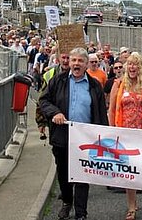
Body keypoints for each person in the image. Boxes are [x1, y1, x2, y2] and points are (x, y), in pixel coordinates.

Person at [39, 47, 108, 220]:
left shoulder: (94, 86)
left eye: (80, 61)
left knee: (83, 174)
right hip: (62, 135)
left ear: (86, 65)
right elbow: (43, 100)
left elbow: (100, 112)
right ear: (69, 62)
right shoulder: (57, 81)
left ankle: (81, 213)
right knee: (63, 172)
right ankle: (67, 201)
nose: (76, 64)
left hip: (86, 138)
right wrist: (55, 113)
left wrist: (103, 137)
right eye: (74, 60)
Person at [108, 42, 142, 220]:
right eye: (130, 63)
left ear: (140, 68)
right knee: (128, 170)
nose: (132, 67)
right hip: (124, 134)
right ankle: (131, 206)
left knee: (139, 169)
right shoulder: (119, 84)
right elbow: (112, 110)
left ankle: (135, 199)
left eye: (136, 64)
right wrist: (112, 131)